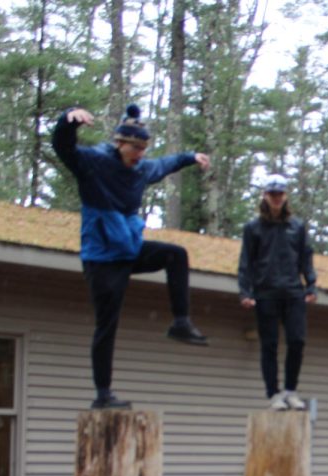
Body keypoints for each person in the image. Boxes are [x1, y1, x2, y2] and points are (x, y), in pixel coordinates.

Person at [53, 103, 211, 410]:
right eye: (134, 147)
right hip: (101, 258)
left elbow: (165, 164)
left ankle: (181, 322)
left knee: (175, 255)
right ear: (119, 143)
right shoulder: (94, 162)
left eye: (143, 148)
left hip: (128, 250)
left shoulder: (141, 169)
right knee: (107, 324)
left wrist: (191, 158)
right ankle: (103, 394)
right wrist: (67, 122)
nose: (139, 154)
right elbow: (63, 148)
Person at [237, 174, 317, 411]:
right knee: (269, 345)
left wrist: (310, 285)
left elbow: (306, 257)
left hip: (293, 291)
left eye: (280, 194)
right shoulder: (253, 228)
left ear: (285, 196)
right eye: (272, 194)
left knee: (297, 341)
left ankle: (291, 390)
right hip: (265, 292)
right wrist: (245, 292)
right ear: (265, 196)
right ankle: (273, 393)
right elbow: (246, 262)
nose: (276, 198)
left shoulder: (297, 227)